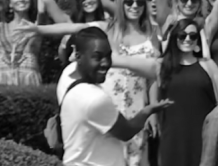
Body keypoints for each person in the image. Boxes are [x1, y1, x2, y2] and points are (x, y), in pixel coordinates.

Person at [59, 27, 172, 166]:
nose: (106, 63)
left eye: (108, 56)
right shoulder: (94, 99)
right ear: (78, 56)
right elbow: (127, 131)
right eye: (97, 57)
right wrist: (147, 111)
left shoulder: (67, 78)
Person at [100, 0, 160, 166]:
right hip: (109, 104)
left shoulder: (151, 35)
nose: (135, 6)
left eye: (140, 2)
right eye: (129, 1)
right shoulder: (109, 30)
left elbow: (153, 79)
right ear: (121, 4)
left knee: (134, 158)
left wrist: (152, 112)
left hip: (137, 106)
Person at [155, 19, 218, 166]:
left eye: (193, 36)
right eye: (182, 35)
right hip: (172, 137)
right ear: (174, 38)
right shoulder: (161, 66)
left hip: (204, 136)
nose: (188, 39)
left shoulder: (208, 65)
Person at [0, 0, 45, 85]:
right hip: (1, 79)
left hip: (28, 80)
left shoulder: (35, 27)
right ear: (10, 3)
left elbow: (42, 11)